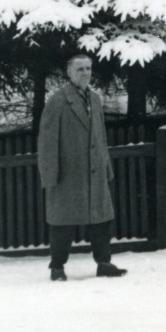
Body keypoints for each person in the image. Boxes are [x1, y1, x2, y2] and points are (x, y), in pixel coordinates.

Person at [37, 52, 126, 281]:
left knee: (101, 219)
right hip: (68, 173)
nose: (85, 73)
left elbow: (101, 136)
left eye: (88, 68)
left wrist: (106, 167)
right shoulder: (57, 101)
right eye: (80, 69)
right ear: (69, 73)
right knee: (62, 221)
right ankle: (57, 267)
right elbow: (47, 143)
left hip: (94, 172)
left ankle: (104, 263)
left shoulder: (95, 99)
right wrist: (49, 175)